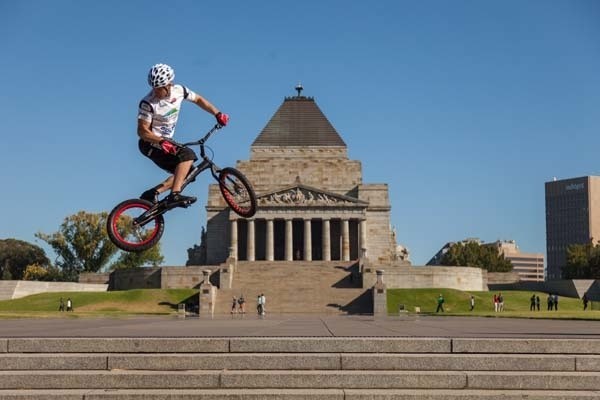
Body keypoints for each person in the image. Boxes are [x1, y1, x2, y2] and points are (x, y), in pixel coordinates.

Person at [137, 63, 229, 207]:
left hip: (166, 142)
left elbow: (198, 99)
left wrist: (217, 113)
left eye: (159, 88)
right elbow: (142, 131)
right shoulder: (148, 103)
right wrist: (161, 142)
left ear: (169, 85)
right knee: (187, 155)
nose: (156, 91)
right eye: (153, 88)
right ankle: (174, 195)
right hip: (150, 143)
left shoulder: (179, 90)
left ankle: (153, 193)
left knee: (188, 172)